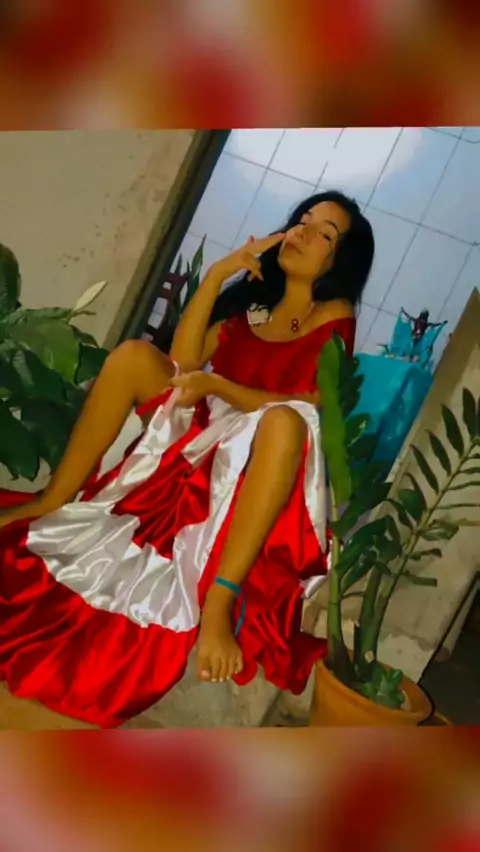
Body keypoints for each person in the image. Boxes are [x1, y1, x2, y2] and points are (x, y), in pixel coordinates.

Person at [0, 190, 375, 728]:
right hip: (205, 427)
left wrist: (219, 386)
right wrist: (217, 275)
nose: (303, 232)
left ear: (340, 261)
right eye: (303, 220)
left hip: (266, 451)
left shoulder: (333, 315)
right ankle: (50, 501)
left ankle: (218, 601)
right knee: (135, 356)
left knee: (286, 421)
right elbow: (183, 361)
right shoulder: (253, 303)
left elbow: (311, 403)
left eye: (324, 233)